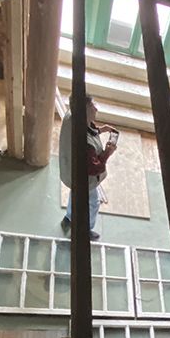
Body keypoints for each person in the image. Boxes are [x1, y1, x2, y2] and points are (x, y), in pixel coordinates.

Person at [58, 94, 117, 240]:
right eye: (92, 106)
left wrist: (100, 130)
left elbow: (87, 128)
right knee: (93, 203)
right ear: (84, 111)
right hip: (84, 179)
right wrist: (107, 152)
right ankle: (86, 229)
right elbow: (94, 168)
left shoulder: (71, 116)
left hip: (70, 172)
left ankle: (69, 217)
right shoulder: (86, 144)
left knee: (75, 194)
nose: (96, 109)